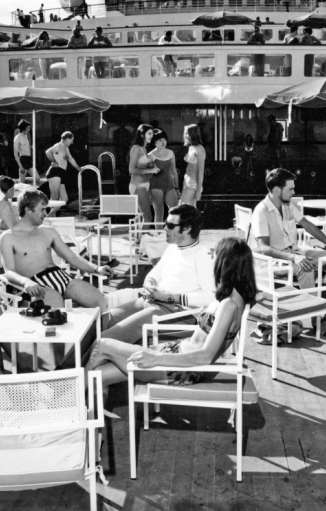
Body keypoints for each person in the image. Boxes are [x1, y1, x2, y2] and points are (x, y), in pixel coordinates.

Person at [87, 237, 255, 390]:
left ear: (226, 264)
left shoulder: (229, 306)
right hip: (175, 356)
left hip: (179, 370)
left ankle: (70, 395)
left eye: (215, 256)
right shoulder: (234, 297)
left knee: (102, 344)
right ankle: (81, 407)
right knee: (97, 376)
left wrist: (157, 358)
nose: (212, 260)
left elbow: (205, 356)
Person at [102, 204, 215, 343]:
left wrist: (169, 297)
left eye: (170, 225)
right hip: (152, 302)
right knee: (100, 322)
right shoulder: (173, 247)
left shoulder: (202, 254)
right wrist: (150, 284)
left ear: (187, 229)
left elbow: (210, 297)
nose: (165, 228)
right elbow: (155, 273)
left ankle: (84, 362)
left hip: (176, 314)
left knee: (106, 338)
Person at [0, 190, 110, 310]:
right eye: (42, 209)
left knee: (102, 303)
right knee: (58, 317)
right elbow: (9, 272)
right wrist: (26, 282)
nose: (46, 213)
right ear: (27, 210)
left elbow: (72, 258)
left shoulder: (48, 231)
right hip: (37, 284)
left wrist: (97, 269)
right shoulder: (8, 237)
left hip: (62, 277)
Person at [250, 168, 326, 288]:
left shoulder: (288, 205)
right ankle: (311, 305)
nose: (294, 192)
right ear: (277, 190)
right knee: (306, 268)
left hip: (295, 253)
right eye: (290, 189)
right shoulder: (261, 211)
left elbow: (307, 225)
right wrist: (294, 257)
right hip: (274, 261)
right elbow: (264, 248)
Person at [148, 129, 180, 224]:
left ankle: (168, 231)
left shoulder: (170, 152)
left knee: (175, 211)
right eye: (160, 140)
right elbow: (148, 175)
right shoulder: (150, 155)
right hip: (156, 186)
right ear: (154, 142)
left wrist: (177, 188)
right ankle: (159, 236)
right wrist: (148, 192)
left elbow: (174, 171)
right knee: (159, 212)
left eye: (164, 140)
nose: (163, 142)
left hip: (170, 185)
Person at [129, 124, 160, 219]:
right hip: (138, 186)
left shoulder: (144, 148)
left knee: (141, 218)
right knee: (148, 217)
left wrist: (151, 166)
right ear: (142, 135)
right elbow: (131, 169)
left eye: (152, 134)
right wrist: (150, 170)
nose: (151, 136)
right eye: (149, 133)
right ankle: (144, 234)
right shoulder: (136, 148)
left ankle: (138, 234)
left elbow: (141, 166)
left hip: (145, 185)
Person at [45, 131, 81, 210]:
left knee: (64, 199)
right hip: (55, 172)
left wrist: (80, 169)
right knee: (54, 197)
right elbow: (48, 152)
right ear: (67, 139)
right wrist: (54, 161)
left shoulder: (66, 148)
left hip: (61, 173)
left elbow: (71, 160)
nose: (72, 142)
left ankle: (51, 215)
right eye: (71, 140)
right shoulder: (58, 145)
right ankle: (44, 214)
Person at [180, 124, 206, 208]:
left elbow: (201, 171)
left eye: (187, 133)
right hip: (187, 182)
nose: (185, 135)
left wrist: (198, 190)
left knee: (184, 209)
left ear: (193, 134)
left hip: (193, 184)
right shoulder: (191, 147)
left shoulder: (200, 149)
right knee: (188, 210)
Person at [14, 119, 36, 184]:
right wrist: (20, 166)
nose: (29, 129)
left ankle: (21, 179)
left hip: (29, 159)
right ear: (24, 128)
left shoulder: (26, 136)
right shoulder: (17, 138)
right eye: (28, 128)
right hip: (23, 160)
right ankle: (19, 180)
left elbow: (26, 147)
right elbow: (15, 154)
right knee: (21, 182)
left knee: (37, 179)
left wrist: (31, 147)